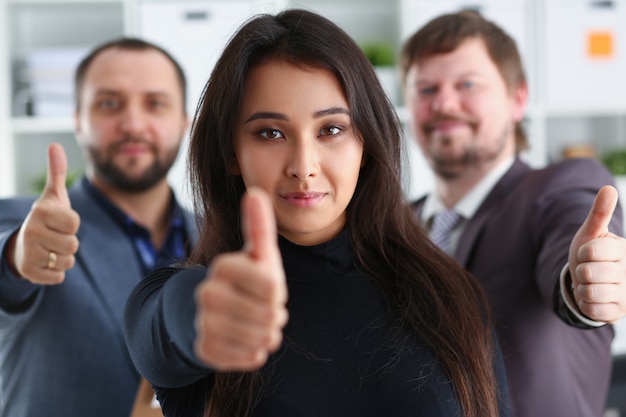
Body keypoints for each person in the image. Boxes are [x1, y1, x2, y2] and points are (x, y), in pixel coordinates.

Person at [124, 8, 511, 417]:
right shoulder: (181, 298)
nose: (304, 165)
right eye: (270, 133)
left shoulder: (450, 294)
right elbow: (163, 331)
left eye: (331, 130)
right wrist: (198, 311)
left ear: (366, 143)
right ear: (230, 154)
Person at [400, 10, 626, 417]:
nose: (444, 102)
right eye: (425, 88)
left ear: (517, 98)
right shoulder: (394, 225)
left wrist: (585, 281)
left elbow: (569, 254)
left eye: (467, 84)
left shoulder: (558, 187)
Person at [0, 38, 197, 417]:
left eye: (155, 103)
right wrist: (19, 255)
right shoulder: (25, 224)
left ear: (183, 121)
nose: (133, 124)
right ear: (78, 119)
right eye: (109, 103)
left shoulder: (221, 239)